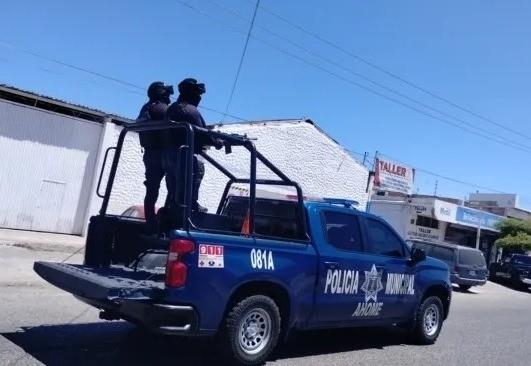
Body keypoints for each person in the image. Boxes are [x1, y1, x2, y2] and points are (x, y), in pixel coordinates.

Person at [165, 78, 221, 213]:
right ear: (193, 95)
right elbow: (203, 134)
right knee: (194, 176)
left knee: (174, 185)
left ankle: (173, 208)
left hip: (171, 154)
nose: (199, 98)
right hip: (185, 155)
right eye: (198, 95)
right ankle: (190, 206)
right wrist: (218, 141)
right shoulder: (190, 110)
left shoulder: (172, 108)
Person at [137, 81, 174, 233]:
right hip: (162, 154)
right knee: (174, 187)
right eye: (167, 94)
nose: (169, 97)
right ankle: (165, 222)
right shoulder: (161, 108)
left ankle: (151, 223)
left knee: (152, 190)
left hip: (150, 154)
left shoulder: (147, 108)